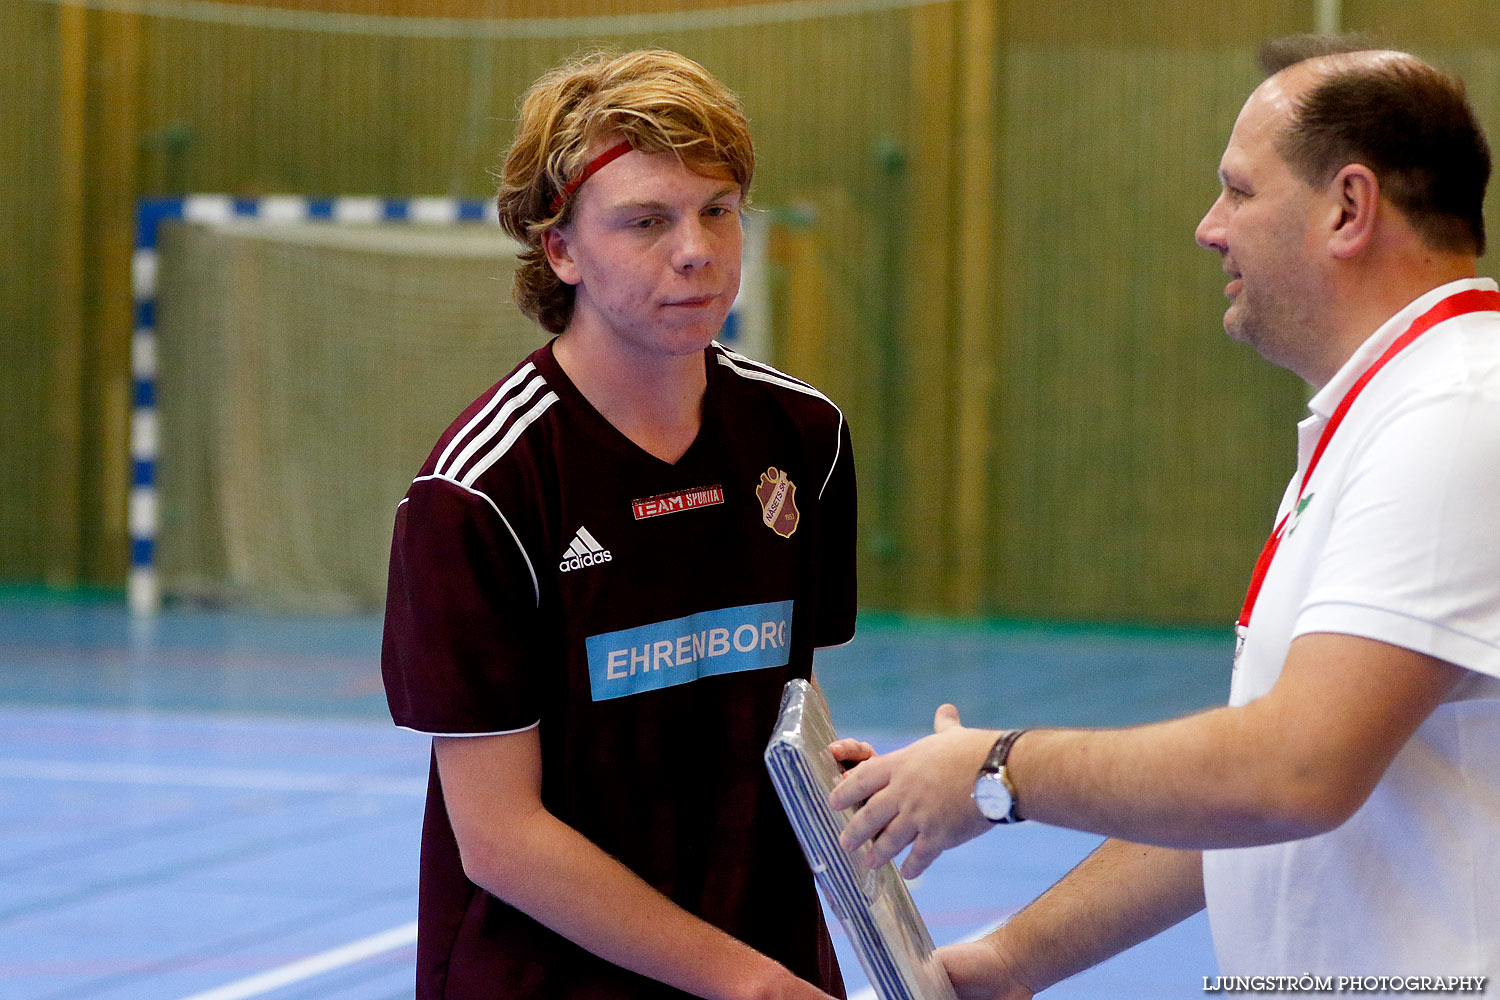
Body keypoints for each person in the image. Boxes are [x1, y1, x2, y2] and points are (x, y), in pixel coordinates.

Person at [827, 35, 1500, 991]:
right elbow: (1245, 803)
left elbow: (1292, 773)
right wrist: (1006, 963)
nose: (1208, 227)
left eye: (1239, 189)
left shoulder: (1456, 411)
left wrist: (998, 771)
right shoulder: (1396, 408)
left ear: (1348, 208)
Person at [381, 49, 856, 1000]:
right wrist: (744, 982)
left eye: (718, 210)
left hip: (767, 957)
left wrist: (837, 784)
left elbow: (776, 706)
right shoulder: (481, 491)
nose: (698, 250)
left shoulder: (805, 436)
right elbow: (500, 841)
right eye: (647, 221)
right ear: (560, 250)